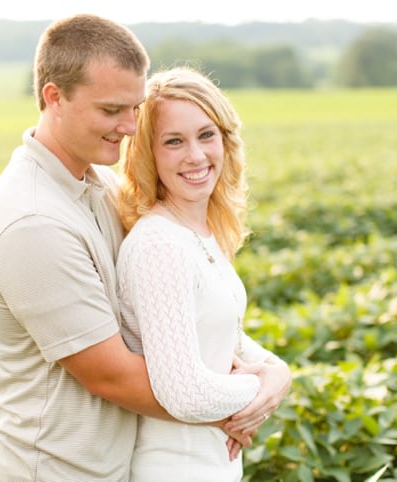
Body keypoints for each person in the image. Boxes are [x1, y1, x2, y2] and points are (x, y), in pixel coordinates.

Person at [0, 14, 287, 481]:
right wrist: (253, 393)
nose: (130, 127)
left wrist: (271, 370)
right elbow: (112, 375)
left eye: (134, 109)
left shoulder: (99, 186)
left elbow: (183, 318)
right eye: (111, 110)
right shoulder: (32, 222)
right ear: (54, 97)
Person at [116, 66, 292, 481]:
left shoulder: (197, 232)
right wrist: (265, 391)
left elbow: (220, 332)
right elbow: (187, 394)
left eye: (206, 135)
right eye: (174, 141)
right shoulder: (159, 245)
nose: (195, 155)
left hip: (214, 465)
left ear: (226, 141)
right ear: (148, 153)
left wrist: (277, 370)